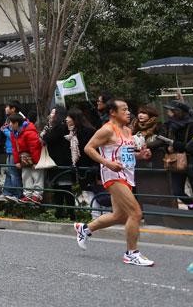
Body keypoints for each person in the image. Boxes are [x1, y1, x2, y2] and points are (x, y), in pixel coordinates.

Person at [74, 98, 154, 266]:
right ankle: (132, 253)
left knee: (119, 215)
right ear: (112, 112)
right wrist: (107, 163)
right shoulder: (107, 129)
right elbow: (88, 148)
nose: (128, 112)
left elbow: (126, 153)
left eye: (128, 109)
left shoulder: (127, 130)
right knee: (135, 213)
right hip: (113, 175)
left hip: (127, 175)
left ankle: (85, 229)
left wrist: (140, 156)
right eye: (124, 109)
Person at [162, 100, 193, 206]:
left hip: (192, 161)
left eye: (171, 110)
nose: (168, 113)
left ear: (178, 111)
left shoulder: (192, 125)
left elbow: (191, 147)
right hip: (175, 161)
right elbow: (164, 142)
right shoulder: (169, 125)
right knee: (177, 191)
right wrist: (168, 148)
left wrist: (174, 144)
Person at [8, 113, 44, 203]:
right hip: (24, 158)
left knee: (37, 175)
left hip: (34, 156)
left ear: (16, 123)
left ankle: (37, 196)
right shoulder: (14, 133)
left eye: (11, 122)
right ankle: (28, 195)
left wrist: (36, 162)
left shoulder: (29, 131)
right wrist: (17, 161)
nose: (9, 124)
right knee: (25, 176)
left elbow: (35, 147)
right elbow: (14, 148)